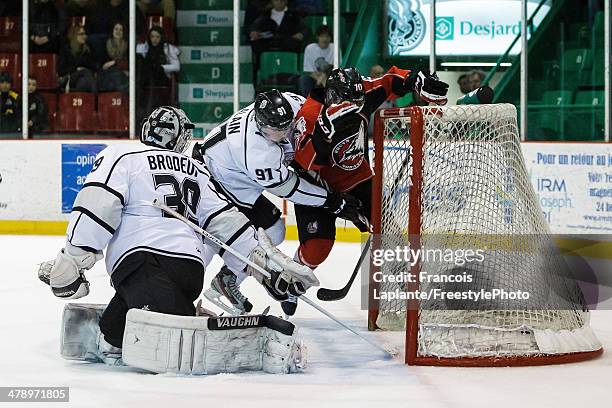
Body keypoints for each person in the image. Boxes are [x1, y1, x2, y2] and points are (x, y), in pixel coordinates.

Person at [38, 106, 317, 364]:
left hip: (140, 261)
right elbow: (227, 223)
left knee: (177, 334)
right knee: (116, 332)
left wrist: (74, 259)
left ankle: (223, 336)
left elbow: (97, 206)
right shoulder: (197, 170)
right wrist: (266, 268)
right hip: (189, 269)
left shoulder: (121, 156)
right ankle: (115, 334)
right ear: (182, 139)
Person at [289, 67, 449, 314]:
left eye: (359, 101)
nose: (356, 107)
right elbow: (300, 167)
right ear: (332, 96)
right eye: (350, 103)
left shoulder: (360, 92)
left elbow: (390, 82)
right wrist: (324, 135)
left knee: (390, 235)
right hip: (318, 188)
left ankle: (415, 295)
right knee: (317, 249)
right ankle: (290, 284)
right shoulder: (309, 115)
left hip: (358, 179)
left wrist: (414, 79)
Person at [191, 89, 363, 315]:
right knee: (208, 246)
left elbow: (313, 114)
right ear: (260, 125)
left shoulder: (290, 103)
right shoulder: (256, 152)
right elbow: (290, 188)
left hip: (238, 183)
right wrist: (331, 201)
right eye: (276, 130)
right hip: (217, 186)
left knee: (274, 231)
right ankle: (180, 297)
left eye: (286, 126)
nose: (283, 133)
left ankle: (228, 277)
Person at [249, 0, 307, 87]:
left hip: (289, 48)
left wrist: (301, 34)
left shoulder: (295, 16)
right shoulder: (264, 15)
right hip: (267, 48)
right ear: (272, 1)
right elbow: (254, 29)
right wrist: (254, 32)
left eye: (282, 0)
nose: (280, 2)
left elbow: (304, 31)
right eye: (277, 0)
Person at [136, 26, 180, 122]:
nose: (154, 39)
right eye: (152, 36)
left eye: (157, 37)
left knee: (154, 69)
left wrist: (162, 67)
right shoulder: (145, 48)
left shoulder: (167, 49)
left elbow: (176, 67)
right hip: (146, 81)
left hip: (162, 79)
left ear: (161, 38)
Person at [58, 24, 99, 93]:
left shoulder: (87, 50)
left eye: (85, 34)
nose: (85, 36)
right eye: (81, 34)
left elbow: (94, 67)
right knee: (85, 72)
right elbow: (61, 71)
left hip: (85, 78)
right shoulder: (66, 50)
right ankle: (95, 95)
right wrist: (76, 69)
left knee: (83, 82)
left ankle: (79, 100)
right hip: (70, 77)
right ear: (74, 35)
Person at [298, 25, 334, 97]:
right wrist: (320, 79)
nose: (325, 39)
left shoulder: (335, 47)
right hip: (315, 78)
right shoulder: (310, 48)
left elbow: (335, 69)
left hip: (330, 77)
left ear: (330, 38)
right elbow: (309, 71)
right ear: (317, 37)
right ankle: (307, 101)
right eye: (322, 36)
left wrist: (324, 78)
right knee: (304, 80)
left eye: (327, 36)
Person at [98, 22, 129, 92]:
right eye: (116, 29)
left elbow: (129, 64)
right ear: (112, 31)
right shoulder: (105, 44)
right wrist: (116, 63)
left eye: (121, 30)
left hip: (123, 74)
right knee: (116, 75)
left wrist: (114, 62)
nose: (118, 32)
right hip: (108, 75)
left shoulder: (128, 45)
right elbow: (103, 66)